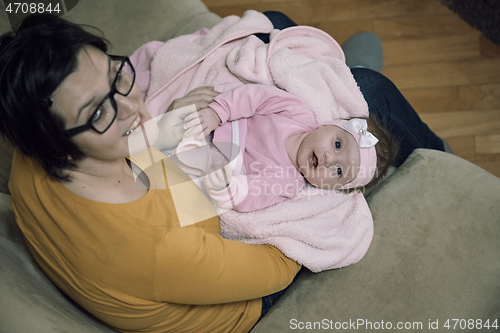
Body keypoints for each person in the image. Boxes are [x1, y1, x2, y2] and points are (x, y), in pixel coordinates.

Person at [0, 12, 446, 333]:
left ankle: (345, 74)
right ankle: (431, 148)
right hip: (233, 293)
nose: (133, 105)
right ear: (54, 143)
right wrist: (313, 184)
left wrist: (168, 127)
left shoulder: (29, 153)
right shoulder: (157, 250)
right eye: (99, 110)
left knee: (272, 23)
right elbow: (273, 261)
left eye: (117, 74)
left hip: (175, 206)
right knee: (372, 95)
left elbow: (135, 155)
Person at [175, 83, 397, 212]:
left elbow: (258, 191)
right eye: (337, 144)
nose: (329, 159)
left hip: (213, 155)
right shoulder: (297, 113)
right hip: (220, 121)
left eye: (339, 171)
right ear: (328, 125)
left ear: (331, 189)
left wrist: (235, 191)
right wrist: (218, 112)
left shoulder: (289, 182)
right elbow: (256, 97)